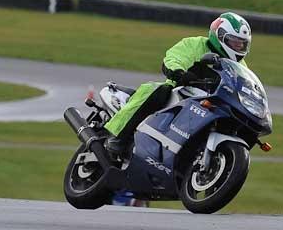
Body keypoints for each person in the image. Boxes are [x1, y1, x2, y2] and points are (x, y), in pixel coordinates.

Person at [103, 12, 252, 158]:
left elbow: (246, 87)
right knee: (158, 90)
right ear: (219, 36)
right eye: (234, 42)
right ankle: (118, 137)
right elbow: (173, 59)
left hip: (212, 103)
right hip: (182, 92)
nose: (238, 47)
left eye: (242, 44)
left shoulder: (240, 66)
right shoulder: (195, 44)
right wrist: (181, 73)